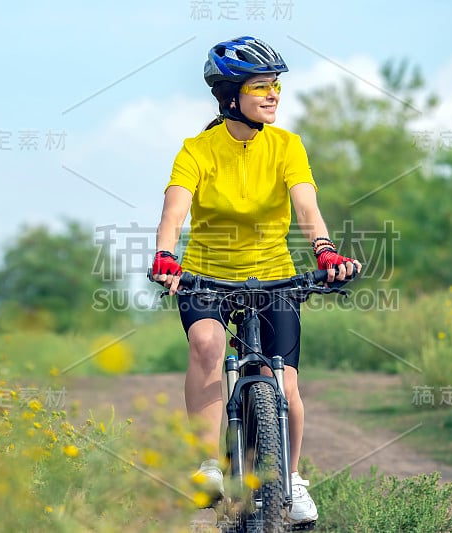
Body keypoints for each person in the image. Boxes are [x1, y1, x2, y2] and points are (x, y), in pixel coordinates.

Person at [150, 36, 361, 528]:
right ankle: (208, 467)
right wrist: (165, 255)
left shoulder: (286, 145)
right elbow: (174, 211)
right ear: (230, 97)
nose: (273, 96)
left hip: (273, 276)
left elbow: (307, 207)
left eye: (276, 87)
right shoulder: (197, 150)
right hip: (206, 275)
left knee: (284, 386)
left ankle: (292, 480)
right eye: (261, 87)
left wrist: (325, 251)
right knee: (206, 342)